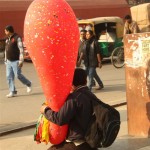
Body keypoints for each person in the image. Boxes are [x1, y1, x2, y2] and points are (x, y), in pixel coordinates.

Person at [40, 68, 97, 150]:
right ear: (85, 81)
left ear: (71, 82)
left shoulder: (74, 98)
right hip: (91, 138)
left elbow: (60, 119)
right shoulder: (90, 94)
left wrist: (45, 110)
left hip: (78, 142)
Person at [4, 25, 32, 98]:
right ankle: (12, 91)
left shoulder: (17, 38)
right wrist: (5, 60)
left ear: (9, 31)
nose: (5, 32)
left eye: (5, 31)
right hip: (9, 61)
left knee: (18, 75)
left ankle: (28, 84)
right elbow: (6, 50)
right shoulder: (7, 39)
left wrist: (21, 61)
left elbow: (21, 50)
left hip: (16, 61)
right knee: (9, 76)